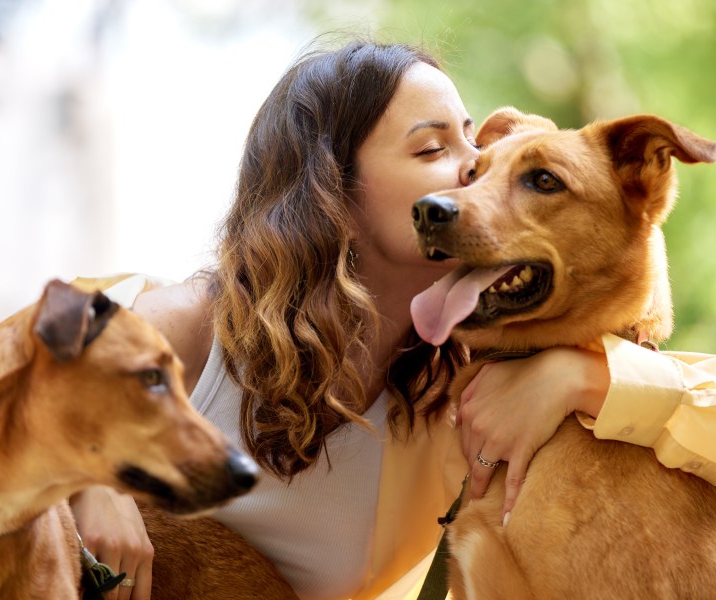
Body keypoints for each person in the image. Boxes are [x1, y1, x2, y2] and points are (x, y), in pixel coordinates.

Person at [67, 38, 716, 600]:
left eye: (473, 140)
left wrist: (587, 381)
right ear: (333, 193)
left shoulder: (461, 394)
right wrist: (86, 474)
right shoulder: (194, 325)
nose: (471, 169)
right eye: (434, 147)